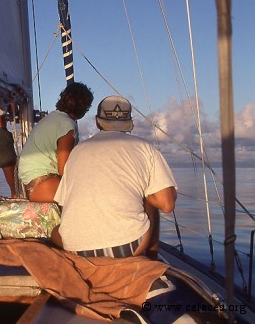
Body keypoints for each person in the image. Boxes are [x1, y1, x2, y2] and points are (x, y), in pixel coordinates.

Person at [51, 95, 177, 259]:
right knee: (151, 193)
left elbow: (63, 202)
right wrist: (144, 192)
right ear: (130, 121)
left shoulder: (77, 151)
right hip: (128, 246)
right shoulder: (145, 147)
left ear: (97, 122)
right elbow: (166, 205)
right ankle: (152, 258)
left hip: (75, 247)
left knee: (54, 231)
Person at [18, 82, 94, 202]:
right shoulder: (67, 125)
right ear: (84, 107)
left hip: (32, 183)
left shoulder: (50, 119)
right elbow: (64, 169)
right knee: (92, 198)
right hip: (45, 183)